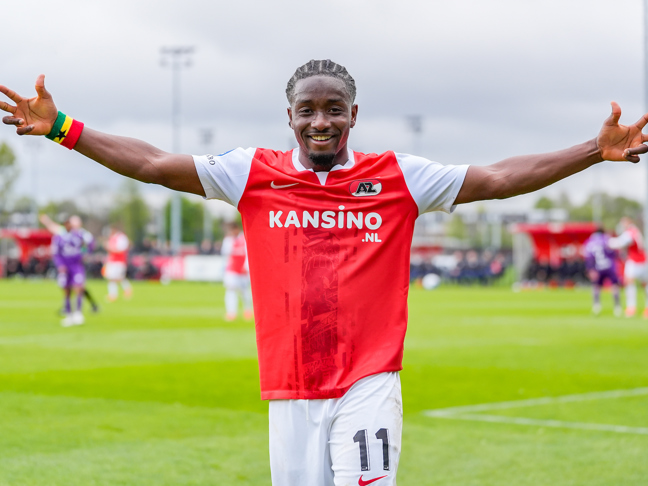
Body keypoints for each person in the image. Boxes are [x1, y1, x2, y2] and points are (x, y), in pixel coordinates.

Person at [2, 59, 648, 486]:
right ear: (289, 116)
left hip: (368, 381)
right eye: (307, 110)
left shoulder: (398, 176)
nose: (321, 122)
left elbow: (500, 179)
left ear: (353, 115)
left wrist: (594, 151)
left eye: (334, 108)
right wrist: (63, 128)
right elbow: (152, 165)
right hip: (290, 388)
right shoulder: (251, 172)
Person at [40, 214, 95, 326]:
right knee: (66, 291)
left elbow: (89, 245)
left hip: (76, 265)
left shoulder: (82, 234)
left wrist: (84, 254)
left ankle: (78, 313)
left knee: (78, 287)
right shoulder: (60, 235)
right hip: (65, 267)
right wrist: (60, 265)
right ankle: (69, 314)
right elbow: (56, 253)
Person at [609, 216, 648, 317]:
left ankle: (631, 308)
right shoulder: (635, 231)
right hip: (644, 260)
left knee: (630, 282)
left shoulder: (630, 232)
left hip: (635, 261)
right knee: (644, 284)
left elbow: (620, 243)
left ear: (628, 222)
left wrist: (609, 241)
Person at [583, 227, 621, 316]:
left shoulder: (589, 242)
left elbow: (589, 257)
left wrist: (590, 269)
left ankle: (596, 306)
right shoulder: (607, 239)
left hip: (597, 267)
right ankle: (617, 307)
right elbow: (615, 253)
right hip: (609, 266)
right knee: (615, 286)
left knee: (596, 287)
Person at [221, 221, 253, 321]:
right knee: (230, 289)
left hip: (243, 270)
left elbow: (249, 253)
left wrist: (246, 267)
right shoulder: (227, 240)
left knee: (245, 291)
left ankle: (248, 310)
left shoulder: (244, 238)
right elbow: (225, 254)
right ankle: (231, 312)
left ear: (237, 229)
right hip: (232, 270)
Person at [103, 225, 133, 302]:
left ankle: (119, 293)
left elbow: (121, 250)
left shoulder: (121, 237)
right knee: (113, 278)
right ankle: (115, 294)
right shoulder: (111, 238)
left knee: (117, 277)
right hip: (112, 261)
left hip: (119, 261)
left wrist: (110, 249)